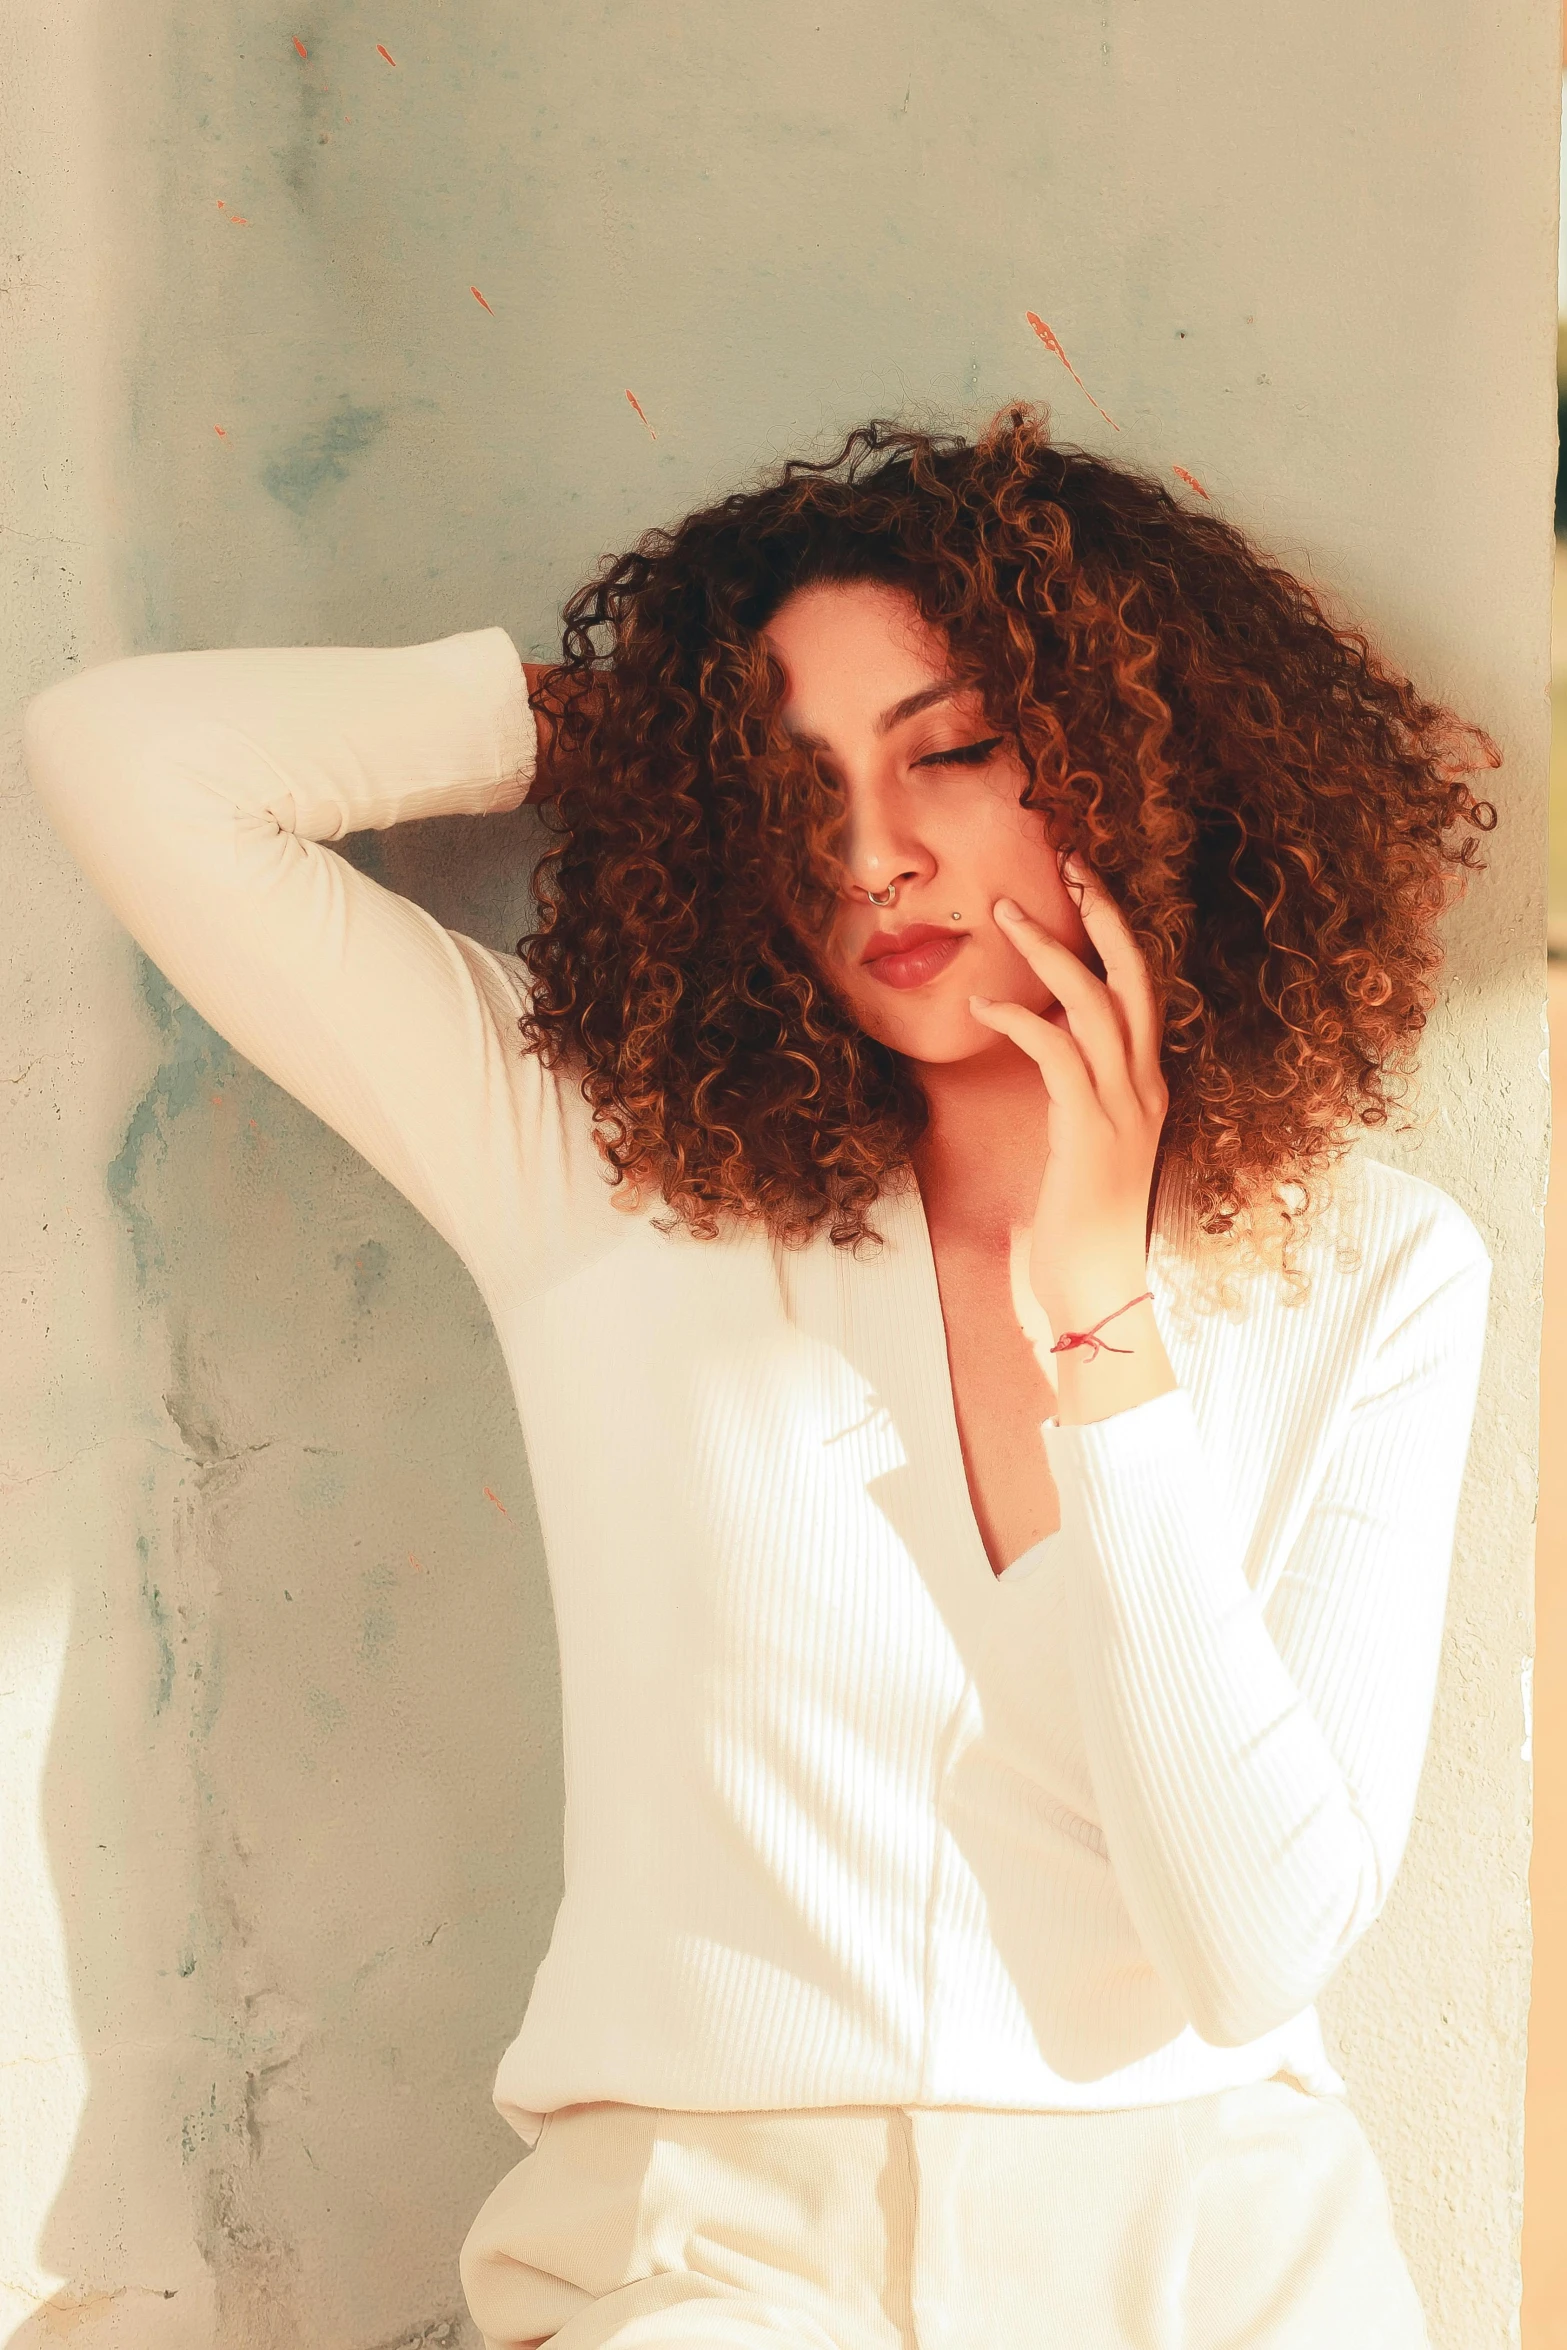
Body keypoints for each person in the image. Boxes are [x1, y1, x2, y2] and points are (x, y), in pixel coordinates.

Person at [24, 408, 1499, 2348]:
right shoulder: (602, 1172)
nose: (872, 851)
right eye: (796, 781)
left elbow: (1250, 1955)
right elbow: (127, 763)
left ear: (1136, 756)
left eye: (950, 750)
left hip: (1213, 2257)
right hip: (710, 2254)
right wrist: (621, 733)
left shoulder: (1376, 1267)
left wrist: (1105, 1331)